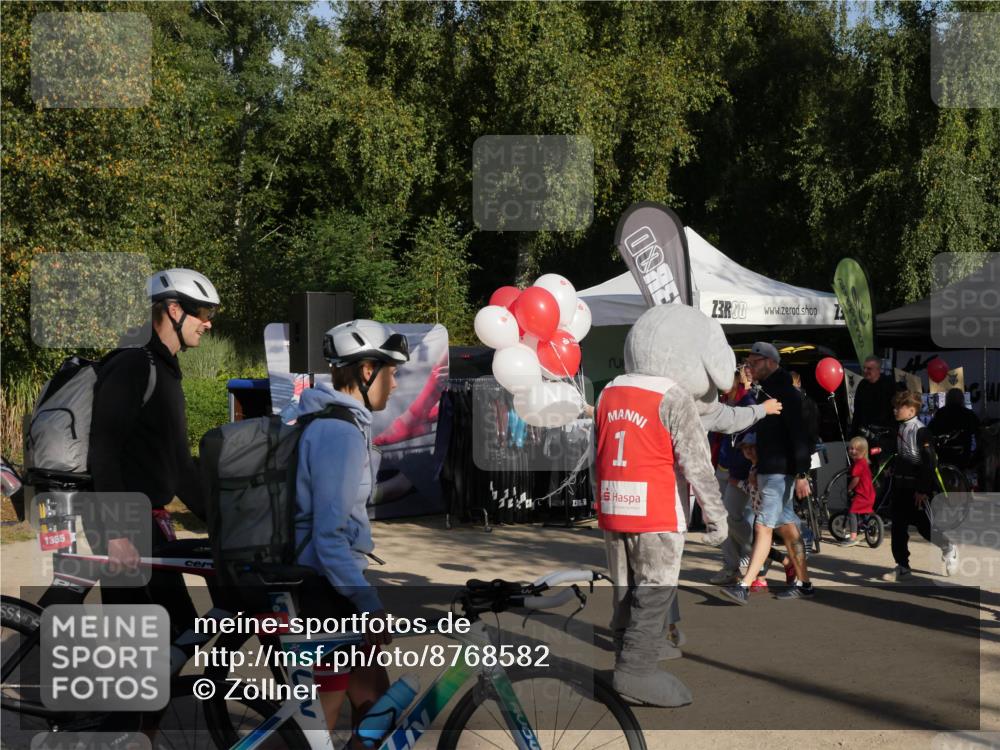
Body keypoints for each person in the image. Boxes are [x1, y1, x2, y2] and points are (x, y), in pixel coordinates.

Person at [292, 319, 409, 731]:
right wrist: (369, 604)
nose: (394, 384)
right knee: (319, 728)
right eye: (391, 372)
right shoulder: (337, 432)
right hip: (327, 592)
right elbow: (329, 537)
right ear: (366, 371)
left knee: (378, 709)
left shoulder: (330, 420)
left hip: (334, 587)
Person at [89, 268, 219, 637]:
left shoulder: (163, 369)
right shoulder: (134, 363)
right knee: (152, 630)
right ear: (174, 310)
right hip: (123, 520)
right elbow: (104, 449)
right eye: (203, 313)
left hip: (148, 519)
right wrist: (115, 534)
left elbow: (178, 464)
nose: (208, 324)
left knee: (177, 627)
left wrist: (223, 522)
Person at [721, 342, 814, 603]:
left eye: (755, 362)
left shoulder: (787, 394)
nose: (750, 366)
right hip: (769, 469)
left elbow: (798, 435)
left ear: (772, 362)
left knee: (763, 527)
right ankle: (804, 583)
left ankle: (744, 584)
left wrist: (802, 473)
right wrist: (755, 464)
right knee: (788, 527)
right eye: (748, 362)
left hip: (778, 471)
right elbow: (770, 434)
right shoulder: (766, 392)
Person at [882, 390, 959, 581]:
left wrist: (923, 490)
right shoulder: (899, 428)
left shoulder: (921, 431)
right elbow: (898, 453)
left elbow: (929, 463)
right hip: (900, 487)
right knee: (898, 528)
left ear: (911, 410)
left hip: (917, 489)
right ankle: (902, 565)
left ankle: (948, 547)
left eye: (898, 407)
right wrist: (890, 467)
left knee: (925, 527)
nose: (894, 410)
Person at [709, 366, 759, 585]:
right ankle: (731, 566)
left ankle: (756, 556)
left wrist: (742, 471)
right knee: (722, 519)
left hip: (740, 470)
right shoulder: (719, 402)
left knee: (736, 516)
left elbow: (748, 442)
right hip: (720, 466)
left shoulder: (747, 402)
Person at [928, 388, 981, 470]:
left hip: (943, 454)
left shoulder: (940, 413)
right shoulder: (968, 414)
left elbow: (930, 431)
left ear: (947, 399)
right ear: (962, 399)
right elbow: (978, 433)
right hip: (963, 455)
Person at [850, 356, 896, 449]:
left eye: (869, 368)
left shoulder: (889, 385)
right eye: (864, 368)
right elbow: (857, 410)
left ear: (878, 370)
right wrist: (853, 434)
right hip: (864, 433)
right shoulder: (862, 385)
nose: (865, 371)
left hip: (883, 435)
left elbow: (894, 409)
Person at [841, 436, 876, 547]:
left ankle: (853, 537)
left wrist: (849, 488)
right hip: (870, 494)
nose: (853, 451)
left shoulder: (858, 464)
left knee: (852, 512)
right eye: (851, 448)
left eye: (857, 449)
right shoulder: (864, 463)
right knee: (865, 511)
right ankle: (870, 527)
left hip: (862, 494)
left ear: (863, 451)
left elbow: (856, 479)